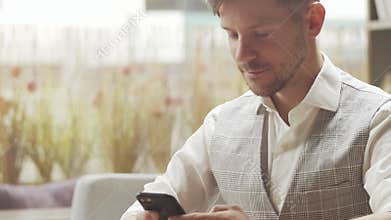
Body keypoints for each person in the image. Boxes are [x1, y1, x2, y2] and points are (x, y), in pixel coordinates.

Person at [121, 0, 391, 219]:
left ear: (312, 21)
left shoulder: (378, 117)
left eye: (262, 34)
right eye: (232, 34)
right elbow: (155, 199)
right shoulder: (220, 125)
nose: (242, 54)